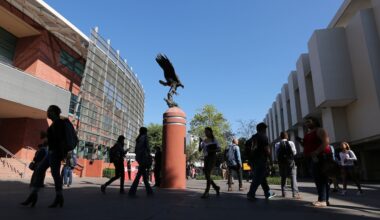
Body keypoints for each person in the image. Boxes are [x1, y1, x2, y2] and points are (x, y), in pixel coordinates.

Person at [21, 105, 66, 208]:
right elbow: (53, 139)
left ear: (54, 112)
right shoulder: (55, 124)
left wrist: (46, 135)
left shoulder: (59, 123)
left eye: (49, 111)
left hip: (55, 153)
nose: (47, 113)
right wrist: (46, 139)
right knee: (40, 170)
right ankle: (34, 195)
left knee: (55, 174)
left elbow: (58, 138)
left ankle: (59, 196)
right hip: (51, 152)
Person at [297, 117, 331, 207]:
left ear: (315, 122)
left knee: (321, 179)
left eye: (308, 121)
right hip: (311, 157)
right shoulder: (308, 133)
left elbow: (326, 142)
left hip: (320, 157)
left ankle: (322, 200)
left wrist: (316, 152)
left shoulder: (320, 130)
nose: (307, 124)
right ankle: (324, 199)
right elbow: (306, 145)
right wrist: (301, 142)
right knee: (318, 178)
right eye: (306, 122)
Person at [246, 122, 276, 201]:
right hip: (261, 160)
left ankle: (268, 193)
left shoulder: (253, 137)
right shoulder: (263, 137)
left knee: (262, 178)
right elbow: (267, 149)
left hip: (253, 160)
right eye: (265, 128)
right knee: (258, 178)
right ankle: (251, 194)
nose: (266, 130)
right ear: (263, 129)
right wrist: (270, 160)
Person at [128, 127, 154, 196]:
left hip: (139, 157)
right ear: (145, 131)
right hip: (143, 158)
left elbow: (136, 150)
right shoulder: (145, 137)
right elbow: (147, 148)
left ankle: (149, 191)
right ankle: (132, 191)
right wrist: (149, 155)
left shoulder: (138, 138)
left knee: (143, 175)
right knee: (140, 175)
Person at [275, 132, 300, 199]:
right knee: (293, 176)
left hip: (281, 163)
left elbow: (277, 154)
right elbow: (294, 152)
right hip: (290, 162)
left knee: (283, 177)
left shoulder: (277, 144)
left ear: (280, 137)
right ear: (287, 137)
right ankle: (295, 193)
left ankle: (284, 193)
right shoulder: (291, 143)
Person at [198, 127, 221, 199]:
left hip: (212, 158)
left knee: (208, 173)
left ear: (211, 132)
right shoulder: (204, 141)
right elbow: (199, 150)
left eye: (207, 131)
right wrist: (200, 142)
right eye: (205, 132)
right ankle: (216, 187)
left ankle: (207, 191)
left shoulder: (214, 140)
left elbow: (219, 149)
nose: (206, 133)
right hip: (206, 158)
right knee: (207, 174)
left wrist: (212, 150)